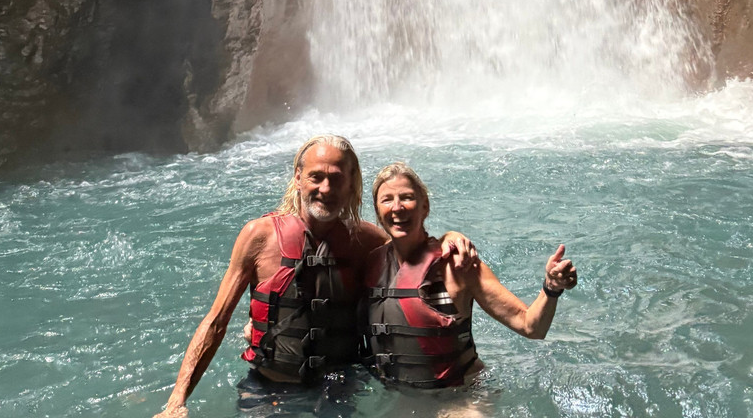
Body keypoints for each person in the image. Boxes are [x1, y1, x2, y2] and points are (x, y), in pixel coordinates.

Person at [154, 136, 477, 417]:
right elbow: (215, 321)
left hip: (340, 389)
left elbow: (416, 248)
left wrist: (450, 236)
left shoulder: (368, 242)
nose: (326, 189)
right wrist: (175, 402)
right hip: (269, 390)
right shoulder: (259, 236)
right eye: (316, 177)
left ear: (351, 184)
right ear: (298, 178)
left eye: (336, 179)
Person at [365, 162, 578, 389]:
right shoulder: (371, 264)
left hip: (461, 396)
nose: (397, 208)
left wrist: (551, 287)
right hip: (401, 397)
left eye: (407, 197)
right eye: (387, 200)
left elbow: (531, 327)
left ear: (425, 207)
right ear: (378, 213)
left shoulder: (458, 264)